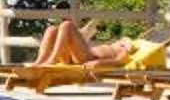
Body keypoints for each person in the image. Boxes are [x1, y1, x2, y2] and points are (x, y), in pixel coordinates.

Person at [33, 13, 162, 68]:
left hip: (88, 58)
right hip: (77, 56)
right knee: (51, 29)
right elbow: (125, 41)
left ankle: (52, 59)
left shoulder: (128, 48)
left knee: (67, 25)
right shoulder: (121, 43)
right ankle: (40, 61)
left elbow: (120, 60)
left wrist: (100, 63)